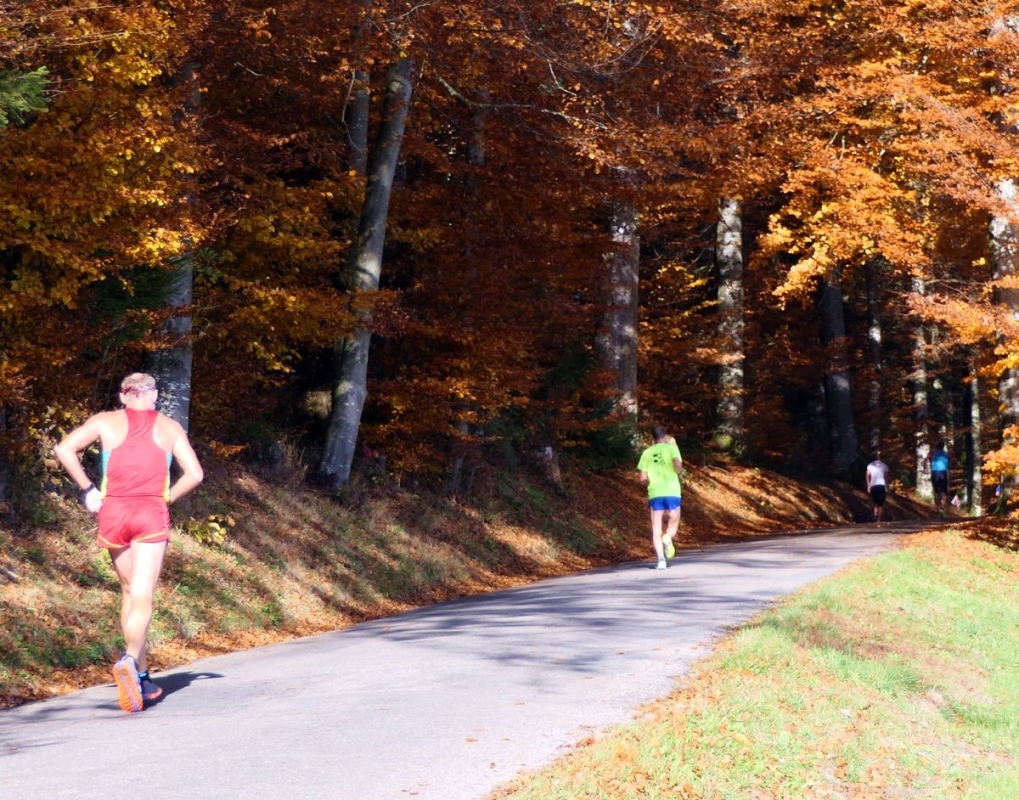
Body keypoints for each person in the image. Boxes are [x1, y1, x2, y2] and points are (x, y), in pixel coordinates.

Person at [54, 373, 203, 713]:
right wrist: (167, 498)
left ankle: (143, 677)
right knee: (143, 593)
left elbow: (64, 449)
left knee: (128, 592)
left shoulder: (104, 421)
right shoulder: (169, 427)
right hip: (150, 511)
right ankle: (131, 660)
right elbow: (195, 474)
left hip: (113, 512)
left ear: (123, 397)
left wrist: (87, 489)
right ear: (152, 395)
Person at [637, 426, 684, 570]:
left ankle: (661, 560)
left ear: (653, 438)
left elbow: (642, 478)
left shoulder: (646, 452)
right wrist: (677, 470)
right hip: (672, 491)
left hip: (655, 492)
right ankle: (668, 537)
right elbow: (678, 466)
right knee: (673, 521)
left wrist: (647, 479)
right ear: (665, 436)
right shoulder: (672, 448)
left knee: (656, 528)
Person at [925, 440, 950, 516]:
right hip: (943, 473)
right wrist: (949, 467)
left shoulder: (932, 453)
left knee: (936, 491)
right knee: (943, 491)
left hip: (935, 472)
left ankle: (936, 508)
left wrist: (925, 468)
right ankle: (942, 508)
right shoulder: (946, 454)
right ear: (943, 446)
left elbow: (925, 460)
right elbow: (952, 461)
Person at [865, 450, 890, 524]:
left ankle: (875, 514)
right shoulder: (885, 466)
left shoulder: (870, 465)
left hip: (873, 485)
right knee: (881, 503)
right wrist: (887, 486)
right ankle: (878, 519)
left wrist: (868, 485)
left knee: (875, 502)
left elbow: (867, 475)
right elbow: (886, 477)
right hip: (881, 486)